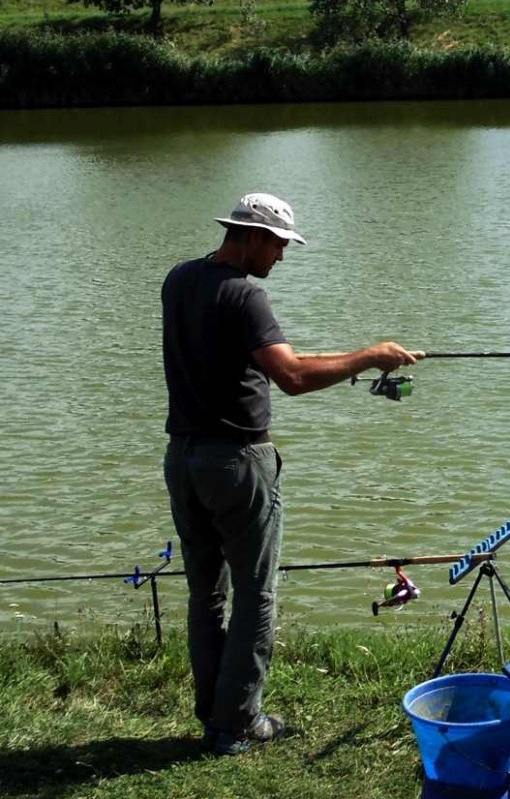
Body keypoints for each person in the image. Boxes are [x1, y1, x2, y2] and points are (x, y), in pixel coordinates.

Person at [161, 192, 422, 756]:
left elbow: (267, 357)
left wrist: (351, 357)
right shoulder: (245, 295)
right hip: (237, 463)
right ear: (253, 236)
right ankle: (238, 723)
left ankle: (214, 712)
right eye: (279, 245)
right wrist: (370, 355)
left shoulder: (180, 279)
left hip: (183, 457)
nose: (281, 256)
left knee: (205, 593)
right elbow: (293, 376)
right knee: (256, 594)